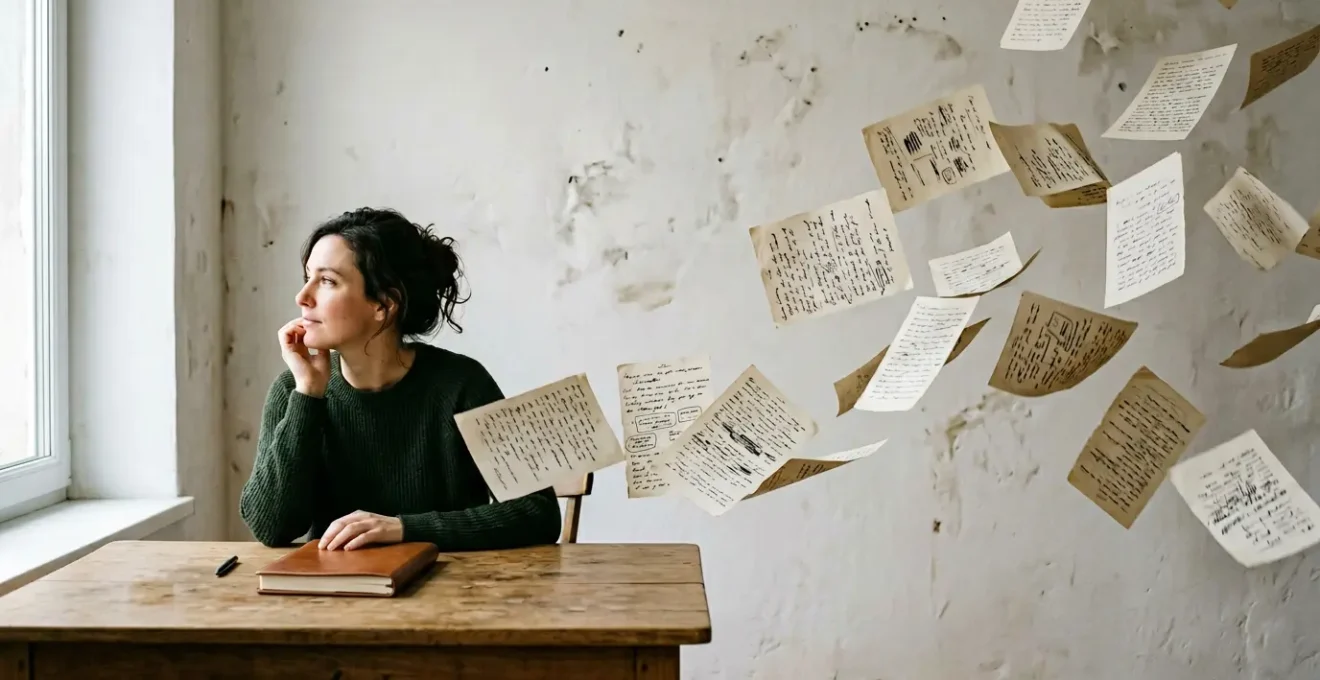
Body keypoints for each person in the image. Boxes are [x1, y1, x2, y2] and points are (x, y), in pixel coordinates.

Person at [239, 207, 562, 551]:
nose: (302, 297)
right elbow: (271, 527)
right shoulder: (294, 389)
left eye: (328, 281)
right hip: (333, 598)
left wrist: (404, 529)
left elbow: (538, 512)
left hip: (455, 595)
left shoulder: (463, 384)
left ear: (384, 304)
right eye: (307, 277)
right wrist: (309, 395)